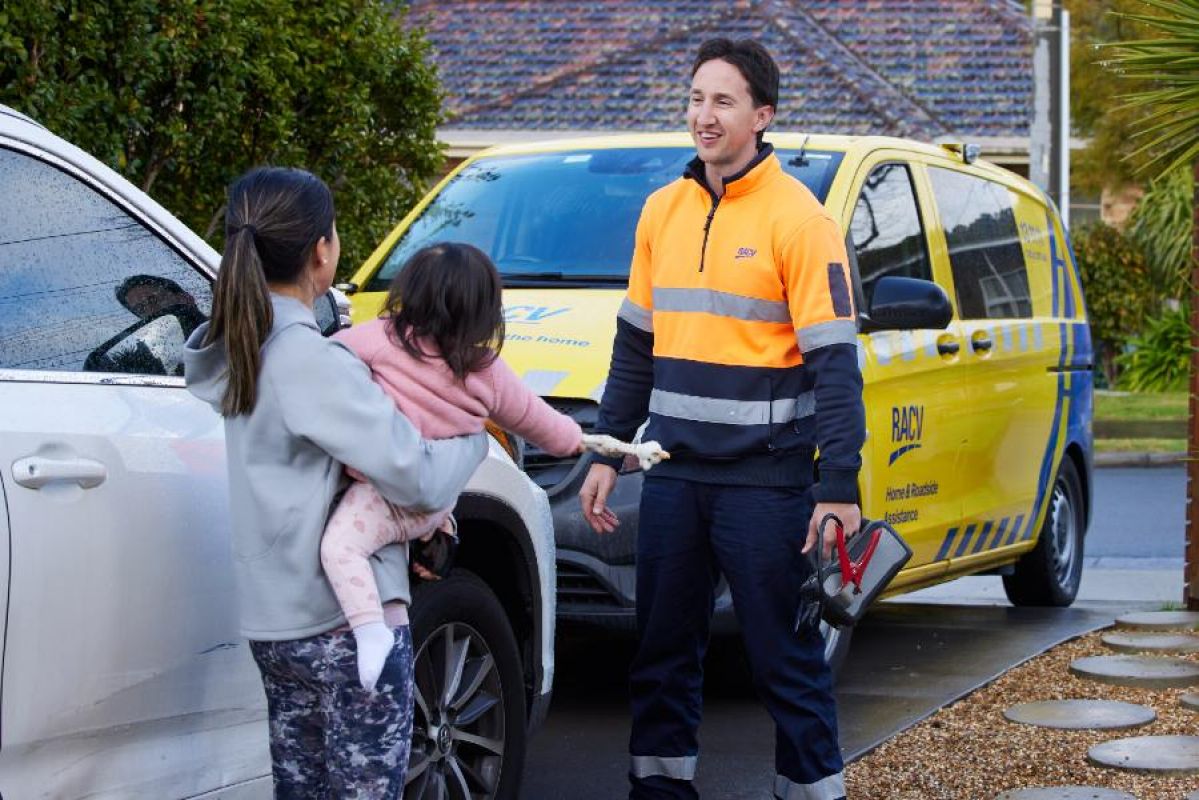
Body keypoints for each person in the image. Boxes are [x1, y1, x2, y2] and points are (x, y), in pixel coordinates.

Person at [577, 38, 866, 800]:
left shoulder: (800, 222)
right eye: (697, 98)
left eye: (723, 101)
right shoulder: (660, 211)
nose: (703, 116)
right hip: (671, 478)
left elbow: (836, 367)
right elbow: (633, 347)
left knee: (784, 661)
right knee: (661, 657)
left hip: (765, 487)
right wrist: (606, 452)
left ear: (761, 116)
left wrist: (837, 486)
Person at [184, 167, 487, 798]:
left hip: (275, 626)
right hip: (344, 625)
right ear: (322, 250)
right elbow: (418, 476)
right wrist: (477, 438)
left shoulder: (239, 346)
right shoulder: (309, 359)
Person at [323, 241, 584, 692]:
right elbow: (545, 426)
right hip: (436, 502)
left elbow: (325, 354)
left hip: (382, 495)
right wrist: (585, 443)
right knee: (401, 555)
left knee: (341, 549)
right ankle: (432, 543)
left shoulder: (383, 337)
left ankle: (368, 633)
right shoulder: (488, 369)